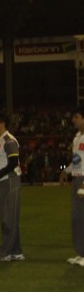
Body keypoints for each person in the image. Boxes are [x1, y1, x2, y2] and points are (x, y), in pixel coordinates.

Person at [0, 113, 24, 261]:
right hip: (2, 182)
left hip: (10, 181)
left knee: (8, 217)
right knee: (7, 216)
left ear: (2, 123)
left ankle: (5, 251)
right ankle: (16, 250)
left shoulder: (9, 140)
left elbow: (13, 163)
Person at [64, 110, 84, 266]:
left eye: (76, 117)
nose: (73, 120)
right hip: (77, 178)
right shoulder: (77, 138)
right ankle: (81, 252)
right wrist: (66, 171)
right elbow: (77, 160)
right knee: (77, 217)